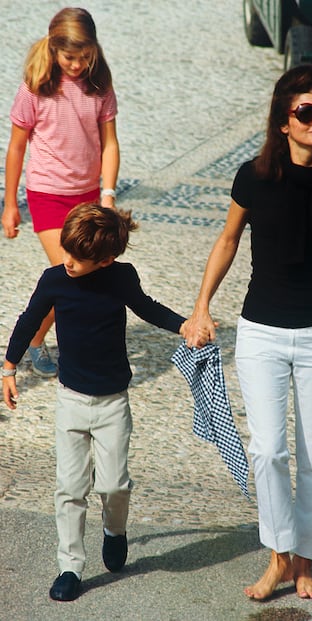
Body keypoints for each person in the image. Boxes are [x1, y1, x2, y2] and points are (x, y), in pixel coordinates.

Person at [184, 65, 312, 601]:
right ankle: (276, 555)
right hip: (261, 333)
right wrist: (202, 306)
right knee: (268, 450)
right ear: (283, 122)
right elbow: (227, 241)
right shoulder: (253, 178)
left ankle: (304, 561)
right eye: (306, 112)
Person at [2, 203, 203, 602]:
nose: (68, 262)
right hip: (70, 399)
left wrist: (184, 324)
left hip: (112, 402)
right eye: (66, 252)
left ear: (106, 260)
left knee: (115, 485)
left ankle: (114, 529)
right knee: (70, 487)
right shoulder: (54, 280)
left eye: (78, 258)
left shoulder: (121, 278)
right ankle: (70, 566)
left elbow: (146, 307)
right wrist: (8, 368)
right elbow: (28, 320)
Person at [1, 7, 120, 378]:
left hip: (86, 196)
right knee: (70, 273)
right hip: (47, 195)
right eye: (70, 57)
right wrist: (10, 205)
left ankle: (37, 339)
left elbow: (110, 144)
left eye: (85, 57)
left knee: (82, 274)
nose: (78, 65)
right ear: (54, 50)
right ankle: (53, 350)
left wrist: (109, 194)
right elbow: (17, 148)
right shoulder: (34, 87)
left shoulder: (99, 84)